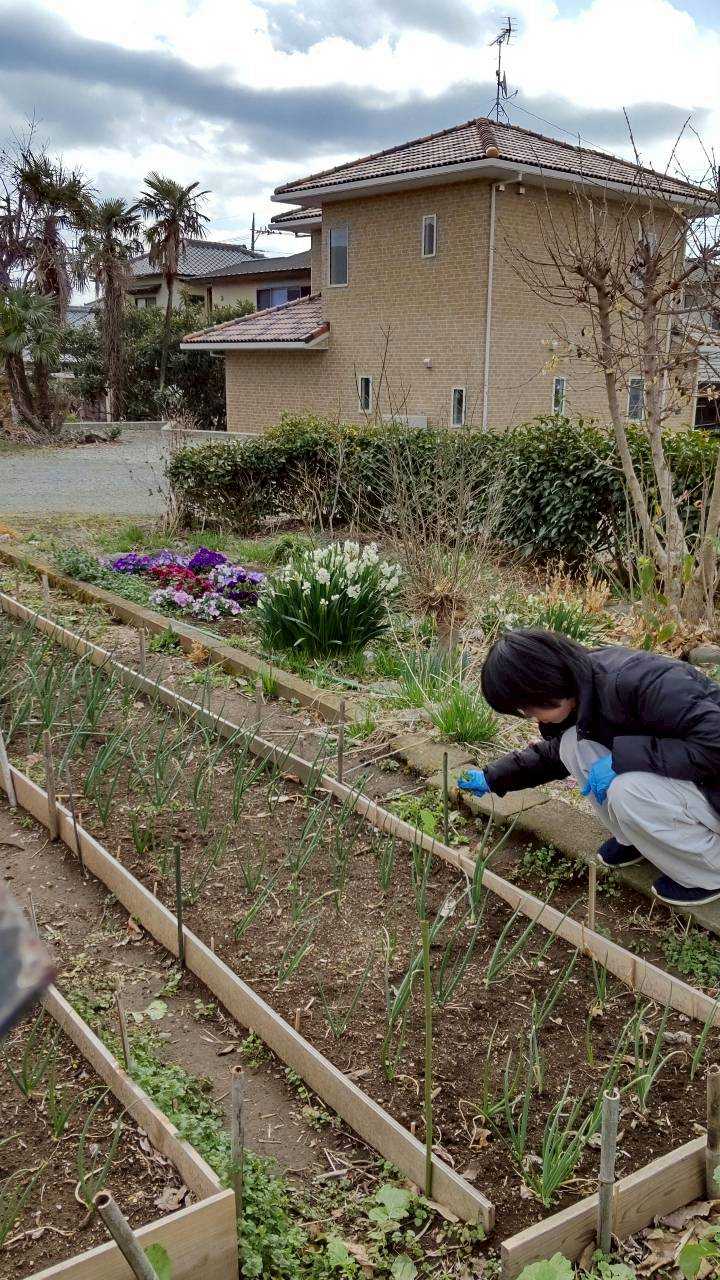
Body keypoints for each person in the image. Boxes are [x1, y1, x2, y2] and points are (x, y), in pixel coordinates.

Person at [458, 628, 720, 907]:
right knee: (573, 745)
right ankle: (636, 838)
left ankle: (708, 872)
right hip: (694, 780)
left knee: (627, 791)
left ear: (544, 684)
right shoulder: (583, 687)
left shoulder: (639, 682)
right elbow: (553, 755)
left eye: (527, 707)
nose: (527, 715)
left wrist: (624, 760)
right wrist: (494, 777)